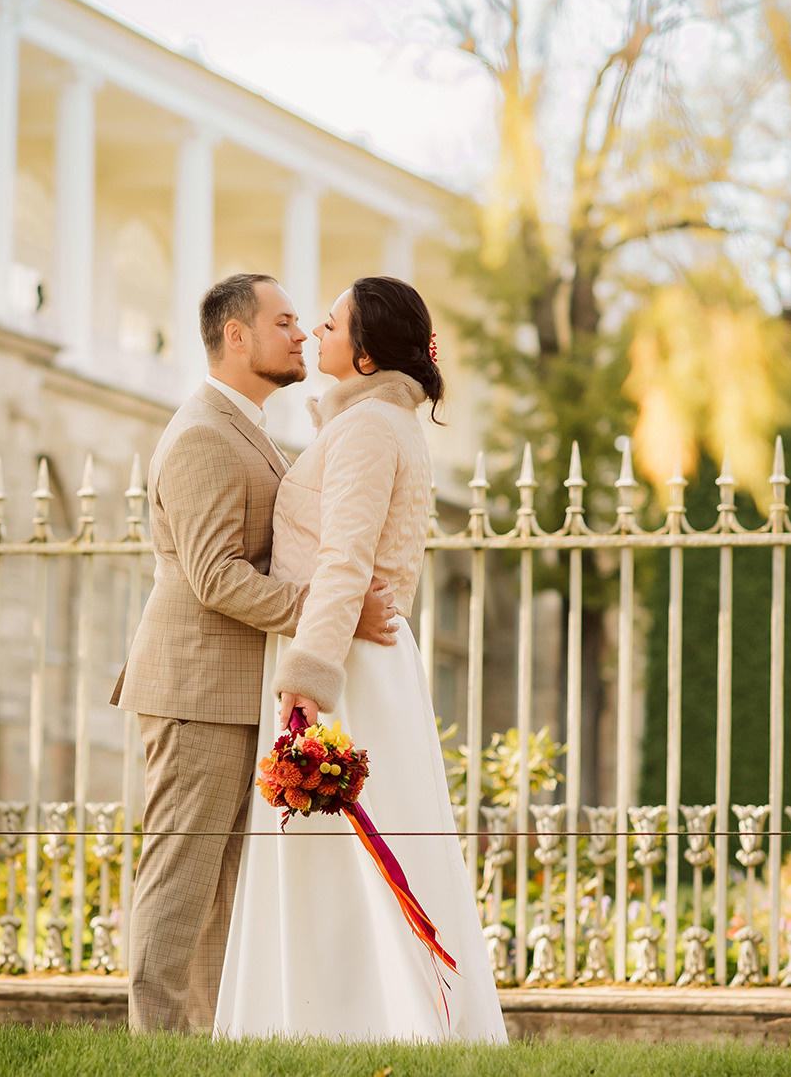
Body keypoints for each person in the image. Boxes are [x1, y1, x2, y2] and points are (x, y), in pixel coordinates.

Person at [214, 276, 506, 1042]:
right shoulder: (372, 421)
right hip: (350, 648)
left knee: (355, 851)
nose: (317, 327)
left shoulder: (370, 429)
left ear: (367, 350)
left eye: (332, 320)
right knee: (337, 854)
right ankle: (328, 1018)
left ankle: (381, 1019)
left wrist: (308, 678)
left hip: (345, 664)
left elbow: (345, 561)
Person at [112, 273, 401, 1034]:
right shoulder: (204, 433)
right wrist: (327, 614)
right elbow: (214, 575)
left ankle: (201, 1045)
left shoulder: (247, 428)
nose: (302, 333)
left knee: (224, 893)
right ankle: (156, 1048)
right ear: (235, 335)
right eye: (284, 321)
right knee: (180, 881)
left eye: (306, 321)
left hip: (236, 691)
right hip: (194, 689)